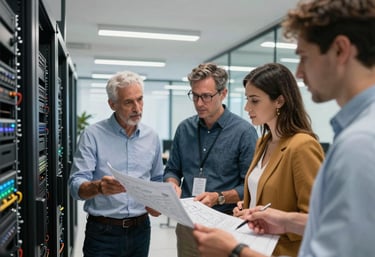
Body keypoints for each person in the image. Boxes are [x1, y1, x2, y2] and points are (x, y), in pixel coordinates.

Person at [193, 0, 375, 256]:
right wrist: (284, 220)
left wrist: (234, 251)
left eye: (304, 56)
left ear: (340, 50)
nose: (299, 73)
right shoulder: (356, 131)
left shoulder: (360, 142)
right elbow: (333, 224)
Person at [164, 62, 258, 257]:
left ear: (223, 94)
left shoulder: (244, 132)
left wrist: (219, 197)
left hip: (225, 227)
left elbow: (249, 187)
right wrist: (171, 183)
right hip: (188, 224)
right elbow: (172, 169)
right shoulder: (184, 129)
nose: (199, 103)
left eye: (206, 96)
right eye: (195, 95)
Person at [68, 71, 164, 257]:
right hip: (103, 233)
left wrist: (158, 201)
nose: (137, 108)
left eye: (140, 99)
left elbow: (157, 178)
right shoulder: (92, 135)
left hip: (141, 230)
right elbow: (75, 186)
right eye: (129, 102)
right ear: (112, 104)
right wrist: (99, 187)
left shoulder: (152, 137)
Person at [232, 63, 324, 257]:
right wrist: (247, 208)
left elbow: (317, 219)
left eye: (254, 100)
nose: (247, 107)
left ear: (279, 101)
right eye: (247, 99)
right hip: (254, 246)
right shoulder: (263, 142)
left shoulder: (302, 146)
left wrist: (272, 222)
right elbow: (268, 194)